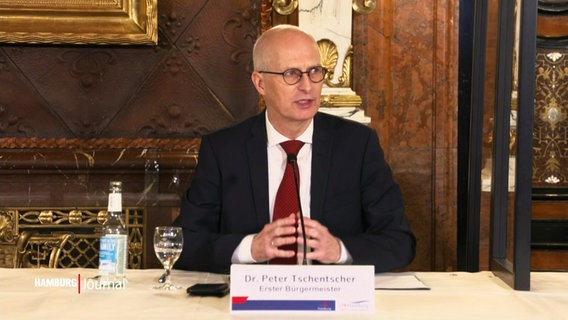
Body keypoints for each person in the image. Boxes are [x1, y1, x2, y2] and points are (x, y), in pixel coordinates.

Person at [173, 24, 415, 274]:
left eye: (314, 72)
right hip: (250, 305)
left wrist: (340, 250)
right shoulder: (224, 150)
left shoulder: (357, 146)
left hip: (332, 303)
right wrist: (250, 248)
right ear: (260, 83)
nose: (307, 86)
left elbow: (399, 241)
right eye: (291, 74)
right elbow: (182, 242)